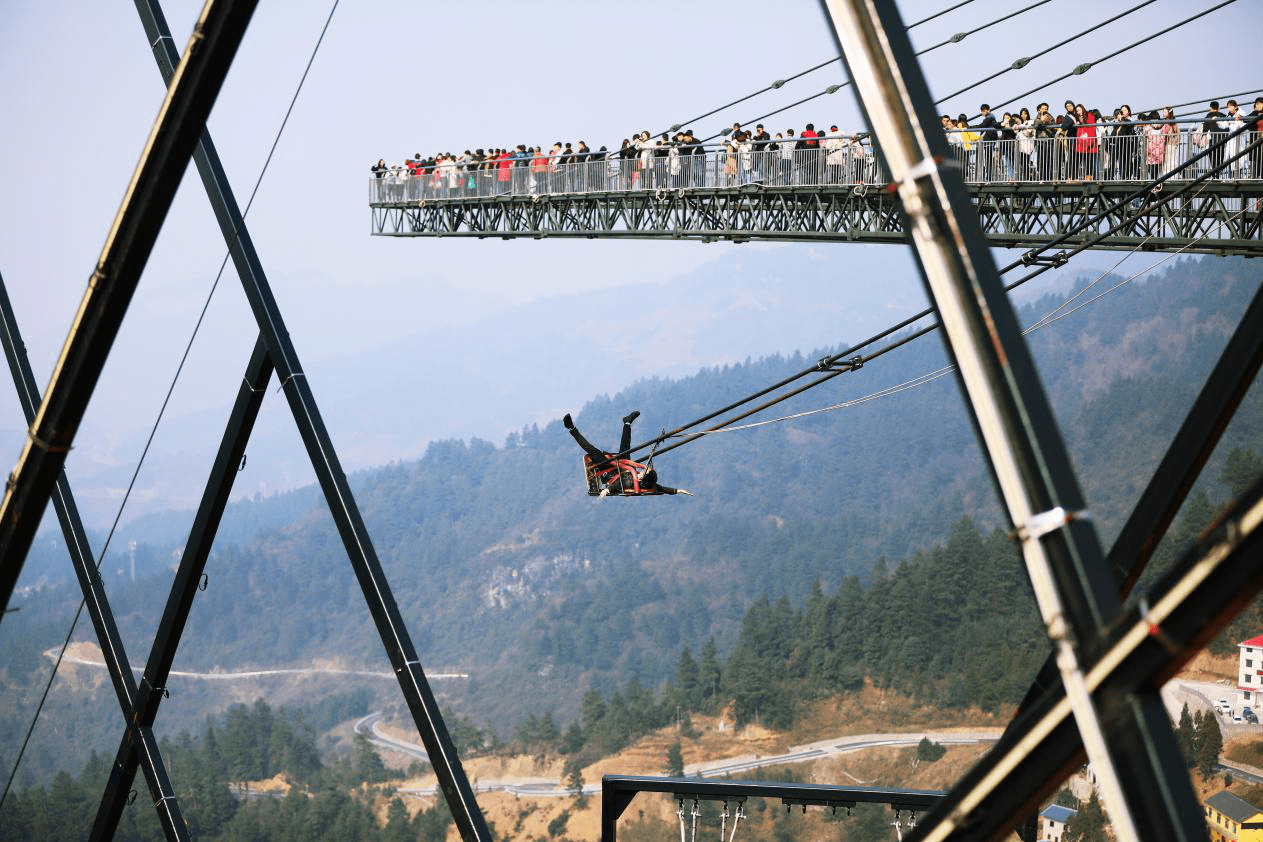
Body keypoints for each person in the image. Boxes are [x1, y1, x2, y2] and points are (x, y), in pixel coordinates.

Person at [563, 412, 691, 496]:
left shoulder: (631, 482)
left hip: (610, 473)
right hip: (622, 469)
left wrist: (607, 490)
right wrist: (678, 490)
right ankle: (627, 423)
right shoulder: (648, 483)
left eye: (644, 472)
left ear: (642, 477)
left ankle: (571, 429)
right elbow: (661, 488)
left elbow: (618, 485)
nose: (643, 470)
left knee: (592, 451)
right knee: (625, 448)